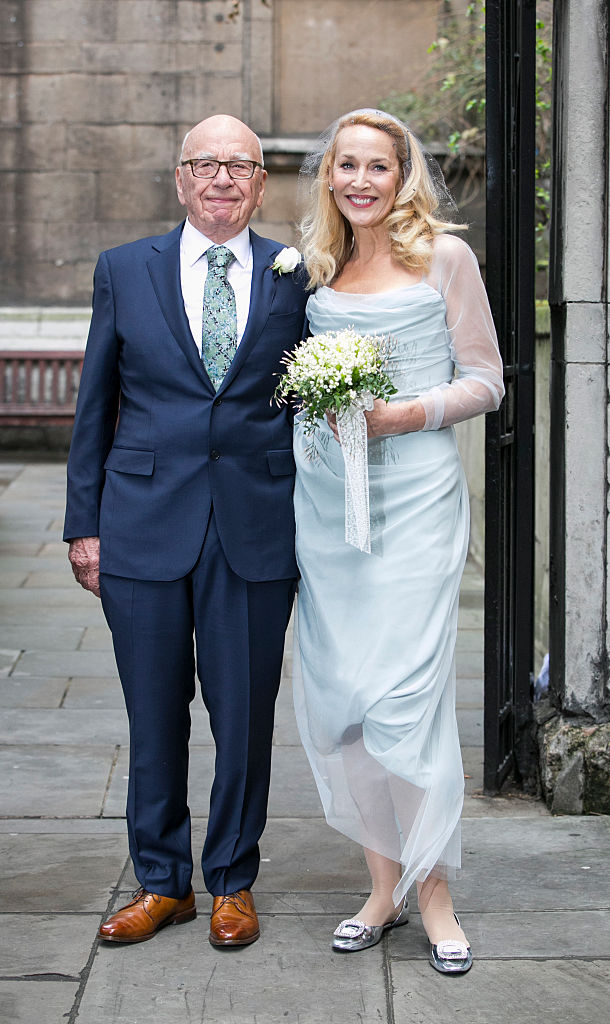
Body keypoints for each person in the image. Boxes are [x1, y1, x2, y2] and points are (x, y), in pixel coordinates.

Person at [64, 114, 308, 948]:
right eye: (204, 165)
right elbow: (95, 403)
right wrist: (82, 524)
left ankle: (234, 881)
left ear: (260, 182)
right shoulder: (124, 270)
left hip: (256, 526)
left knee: (243, 714)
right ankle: (161, 883)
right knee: (154, 712)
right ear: (179, 179)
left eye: (238, 166)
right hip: (140, 523)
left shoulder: (296, 276)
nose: (221, 179)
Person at [292, 109, 504, 972]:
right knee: (343, 698)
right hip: (326, 502)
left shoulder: (444, 257)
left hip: (414, 500)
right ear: (330, 175)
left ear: (402, 173)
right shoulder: (311, 263)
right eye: (347, 166)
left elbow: (487, 379)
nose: (361, 181)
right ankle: (382, 888)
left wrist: (406, 414)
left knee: (407, 700)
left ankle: (436, 894)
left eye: (378, 167)